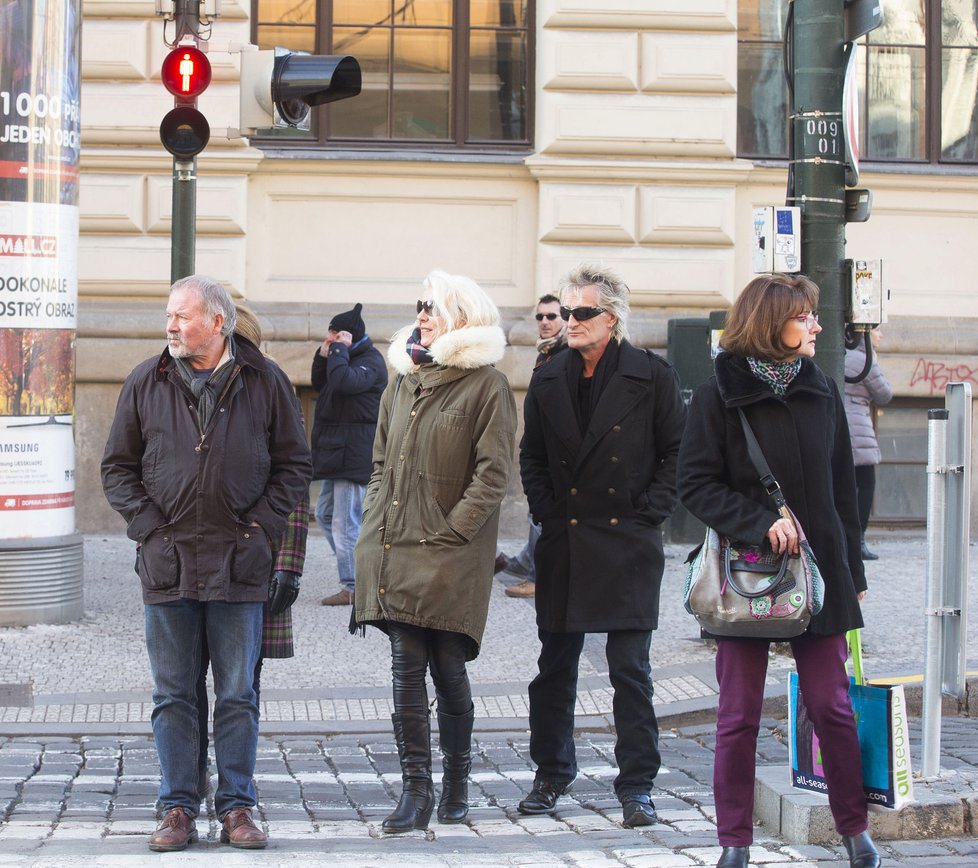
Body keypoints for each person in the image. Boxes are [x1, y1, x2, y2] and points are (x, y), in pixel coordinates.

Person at [101, 275, 311, 852]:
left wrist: (260, 529)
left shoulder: (265, 380)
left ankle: (238, 807)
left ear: (218, 323)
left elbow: (294, 466)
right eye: (169, 315)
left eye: (182, 316)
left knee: (237, 694)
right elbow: (116, 468)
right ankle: (176, 808)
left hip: (238, 563)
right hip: (168, 564)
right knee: (173, 693)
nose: (170, 325)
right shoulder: (147, 379)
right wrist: (148, 530)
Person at [677, 274, 879, 868]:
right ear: (772, 324)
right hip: (747, 577)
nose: (817, 326)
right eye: (806, 317)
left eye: (815, 316)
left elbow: (843, 488)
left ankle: (853, 829)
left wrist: (851, 571)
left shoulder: (821, 388)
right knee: (738, 716)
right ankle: (734, 841)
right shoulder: (720, 393)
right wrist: (758, 521)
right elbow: (694, 484)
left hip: (819, 576)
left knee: (832, 707)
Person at [517, 265, 686, 828]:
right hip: (566, 540)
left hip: (627, 545)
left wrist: (647, 515)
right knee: (555, 668)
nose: (570, 322)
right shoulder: (547, 378)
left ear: (611, 319)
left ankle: (637, 785)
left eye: (581, 313)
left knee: (629, 671)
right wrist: (548, 514)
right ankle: (550, 774)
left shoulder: (651, 376)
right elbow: (533, 458)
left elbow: (677, 454)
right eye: (565, 313)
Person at [353, 269, 517, 832]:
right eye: (419, 304)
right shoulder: (401, 378)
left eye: (434, 306)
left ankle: (457, 781)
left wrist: (454, 530)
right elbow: (379, 460)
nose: (422, 314)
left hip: (452, 550)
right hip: (396, 542)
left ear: (462, 318)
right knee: (405, 665)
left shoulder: (486, 385)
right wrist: (375, 518)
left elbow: (494, 474)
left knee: (448, 666)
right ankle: (414, 790)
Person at [194, 305, 310, 804]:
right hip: (191, 566)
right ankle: (191, 774)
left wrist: (287, 566)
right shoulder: (183, 386)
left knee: (240, 687)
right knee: (185, 685)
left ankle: (236, 789)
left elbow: (294, 481)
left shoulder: (270, 387)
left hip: (253, 563)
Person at [311, 303, 388, 605]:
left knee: (346, 523)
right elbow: (322, 383)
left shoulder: (371, 361)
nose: (330, 338)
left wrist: (339, 351)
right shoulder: (345, 357)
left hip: (354, 454)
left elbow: (343, 382)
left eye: (334, 334)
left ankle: (355, 586)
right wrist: (323, 355)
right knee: (325, 514)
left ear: (348, 335)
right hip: (337, 453)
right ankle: (358, 572)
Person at [496, 293, 568, 599]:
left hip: (556, 452)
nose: (545, 322)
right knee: (535, 512)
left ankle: (538, 577)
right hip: (540, 447)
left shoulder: (564, 354)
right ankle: (524, 564)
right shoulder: (546, 352)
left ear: (565, 319)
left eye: (552, 316)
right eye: (540, 317)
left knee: (541, 515)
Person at [844, 326, 892, 561]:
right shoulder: (865, 360)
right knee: (865, 485)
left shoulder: (836, 354)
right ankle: (858, 541)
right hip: (858, 429)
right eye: (877, 330)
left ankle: (843, 539)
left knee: (840, 487)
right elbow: (885, 394)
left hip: (836, 428)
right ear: (863, 333)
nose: (880, 335)